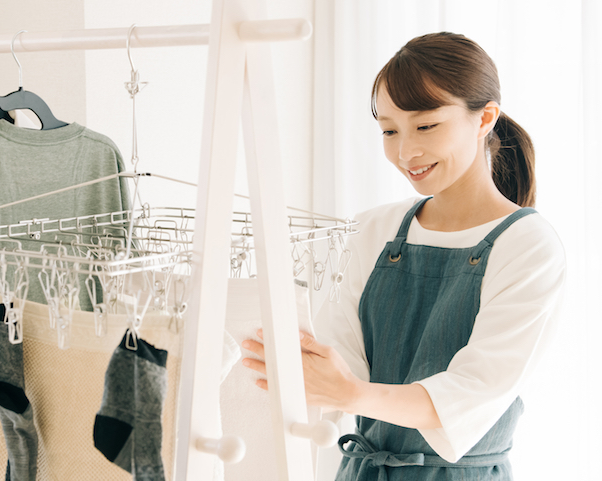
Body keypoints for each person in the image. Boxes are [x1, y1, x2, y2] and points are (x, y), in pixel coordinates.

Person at [242, 32, 565, 480]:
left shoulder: (528, 245)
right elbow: (340, 368)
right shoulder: (373, 229)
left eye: (426, 126)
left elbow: (470, 393)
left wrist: (348, 393)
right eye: (389, 131)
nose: (405, 152)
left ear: (485, 117)